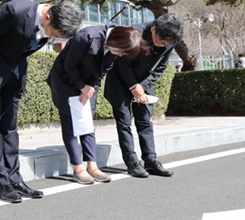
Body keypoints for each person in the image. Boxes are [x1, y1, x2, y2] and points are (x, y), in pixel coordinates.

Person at [0, 0, 82, 203]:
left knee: (10, 128)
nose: (53, 36)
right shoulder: (14, 11)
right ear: (48, 16)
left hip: (15, 76)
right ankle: (2, 184)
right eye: (54, 32)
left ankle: (15, 179)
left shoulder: (48, 24)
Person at [48, 25, 147, 185]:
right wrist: (82, 86)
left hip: (88, 84)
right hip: (65, 81)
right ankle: (78, 168)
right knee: (71, 123)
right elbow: (69, 65)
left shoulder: (115, 47)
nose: (119, 55)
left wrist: (91, 87)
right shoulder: (87, 36)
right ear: (115, 41)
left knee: (87, 122)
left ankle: (92, 165)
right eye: (120, 52)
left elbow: (103, 70)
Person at [104, 13, 184, 178]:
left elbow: (161, 67)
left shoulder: (169, 39)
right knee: (124, 122)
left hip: (142, 82)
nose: (162, 45)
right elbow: (122, 64)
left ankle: (151, 160)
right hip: (120, 79)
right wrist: (134, 87)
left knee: (145, 121)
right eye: (160, 41)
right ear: (153, 28)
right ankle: (132, 162)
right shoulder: (134, 32)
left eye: (166, 43)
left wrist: (143, 86)